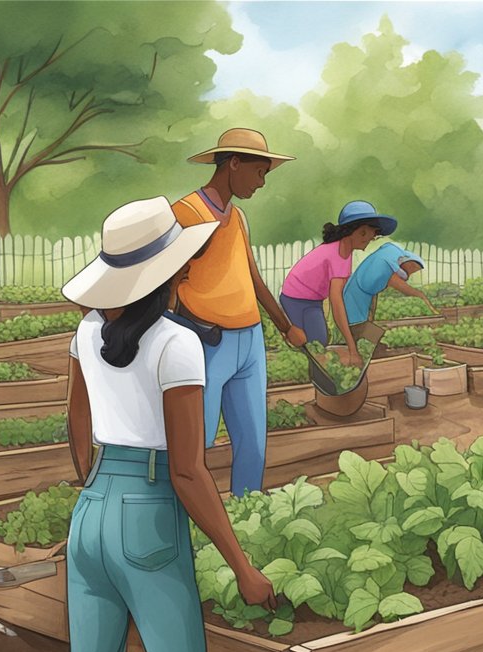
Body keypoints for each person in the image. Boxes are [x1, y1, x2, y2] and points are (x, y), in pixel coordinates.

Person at [49, 197, 276, 652]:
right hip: (147, 510)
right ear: (171, 273)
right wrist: (242, 567)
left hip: (95, 505)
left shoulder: (86, 332)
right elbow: (187, 469)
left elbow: (77, 426)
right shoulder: (178, 345)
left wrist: (91, 492)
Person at [170, 128, 306, 497]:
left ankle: (248, 516)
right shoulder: (187, 213)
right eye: (259, 172)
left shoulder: (238, 217)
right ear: (233, 164)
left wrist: (285, 326)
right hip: (206, 340)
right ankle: (189, 521)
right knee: (197, 444)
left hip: (249, 341)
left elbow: (253, 278)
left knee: (253, 442)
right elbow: (166, 284)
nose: (261, 183)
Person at [279, 200, 398, 364]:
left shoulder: (345, 253)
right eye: (367, 236)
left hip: (313, 301)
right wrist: (352, 349)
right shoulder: (335, 255)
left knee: (319, 342)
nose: (369, 240)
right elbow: (337, 304)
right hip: (294, 297)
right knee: (308, 346)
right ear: (358, 232)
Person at [343, 242, 433, 327]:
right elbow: (403, 287)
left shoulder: (388, 258)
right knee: (358, 325)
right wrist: (421, 296)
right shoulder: (387, 266)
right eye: (412, 267)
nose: (411, 271)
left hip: (363, 294)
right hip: (355, 297)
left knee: (364, 324)